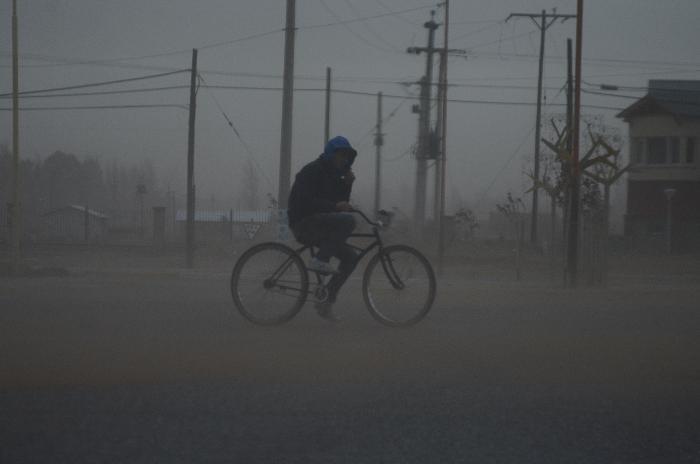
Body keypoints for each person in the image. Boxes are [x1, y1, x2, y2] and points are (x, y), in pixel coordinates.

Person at [287, 136, 359, 321]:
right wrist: (336, 207)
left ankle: (325, 300)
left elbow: (339, 203)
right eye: (340, 155)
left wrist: (347, 185)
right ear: (330, 155)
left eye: (346, 156)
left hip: (319, 225)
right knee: (348, 222)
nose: (344, 159)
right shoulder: (312, 171)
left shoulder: (335, 177)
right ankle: (320, 259)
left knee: (351, 257)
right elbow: (306, 202)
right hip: (303, 223)